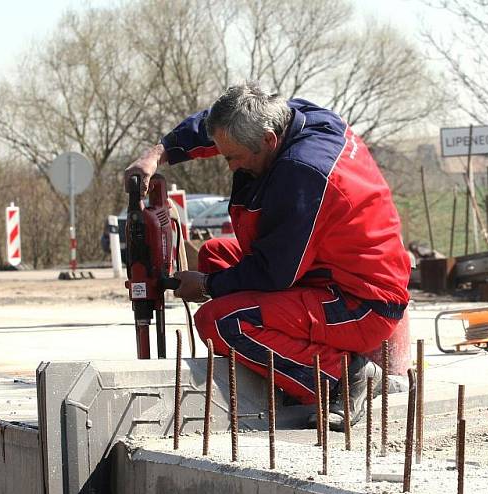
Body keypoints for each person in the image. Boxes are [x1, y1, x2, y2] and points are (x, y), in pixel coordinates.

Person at [125, 82, 410, 430]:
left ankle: (347, 377)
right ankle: (290, 365)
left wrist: (209, 285)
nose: (230, 166)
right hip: (330, 266)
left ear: (269, 141)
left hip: (359, 302)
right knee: (216, 253)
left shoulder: (304, 173)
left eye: (233, 158)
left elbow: (275, 273)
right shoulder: (294, 117)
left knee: (221, 322)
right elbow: (220, 122)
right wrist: (159, 152)